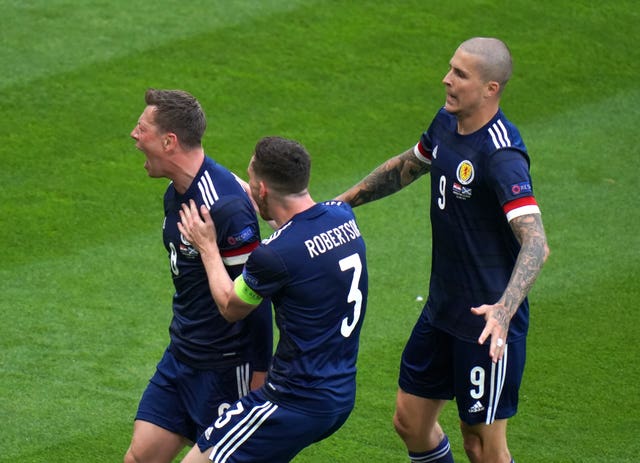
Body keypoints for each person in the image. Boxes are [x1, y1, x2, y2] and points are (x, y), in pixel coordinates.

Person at [336, 37, 549, 463]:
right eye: (450, 69)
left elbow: (537, 243)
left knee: (482, 445)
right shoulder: (447, 123)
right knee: (410, 421)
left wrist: (503, 311)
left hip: (486, 323)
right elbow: (407, 167)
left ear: (491, 88)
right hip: (441, 308)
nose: (446, 80)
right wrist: (336, 207)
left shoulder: (501, 154)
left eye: (460, 74)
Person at [176, 136, 368, 462]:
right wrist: (241, 185)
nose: (249, 187)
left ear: (263, 190)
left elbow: (229, 305)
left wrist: (208, 246)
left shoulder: (272, 257)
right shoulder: (342, 216)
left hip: (293, 400)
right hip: (339, 393)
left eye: (251, 182)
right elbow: (296, 232)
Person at [125, 89, 273, 463]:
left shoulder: (226, 209)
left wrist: (258, 381)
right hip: (181, 356)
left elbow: (254, 301)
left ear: (169, 141)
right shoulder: (175, 194)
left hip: (226, 368)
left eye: (142, 128)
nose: (134, 135)